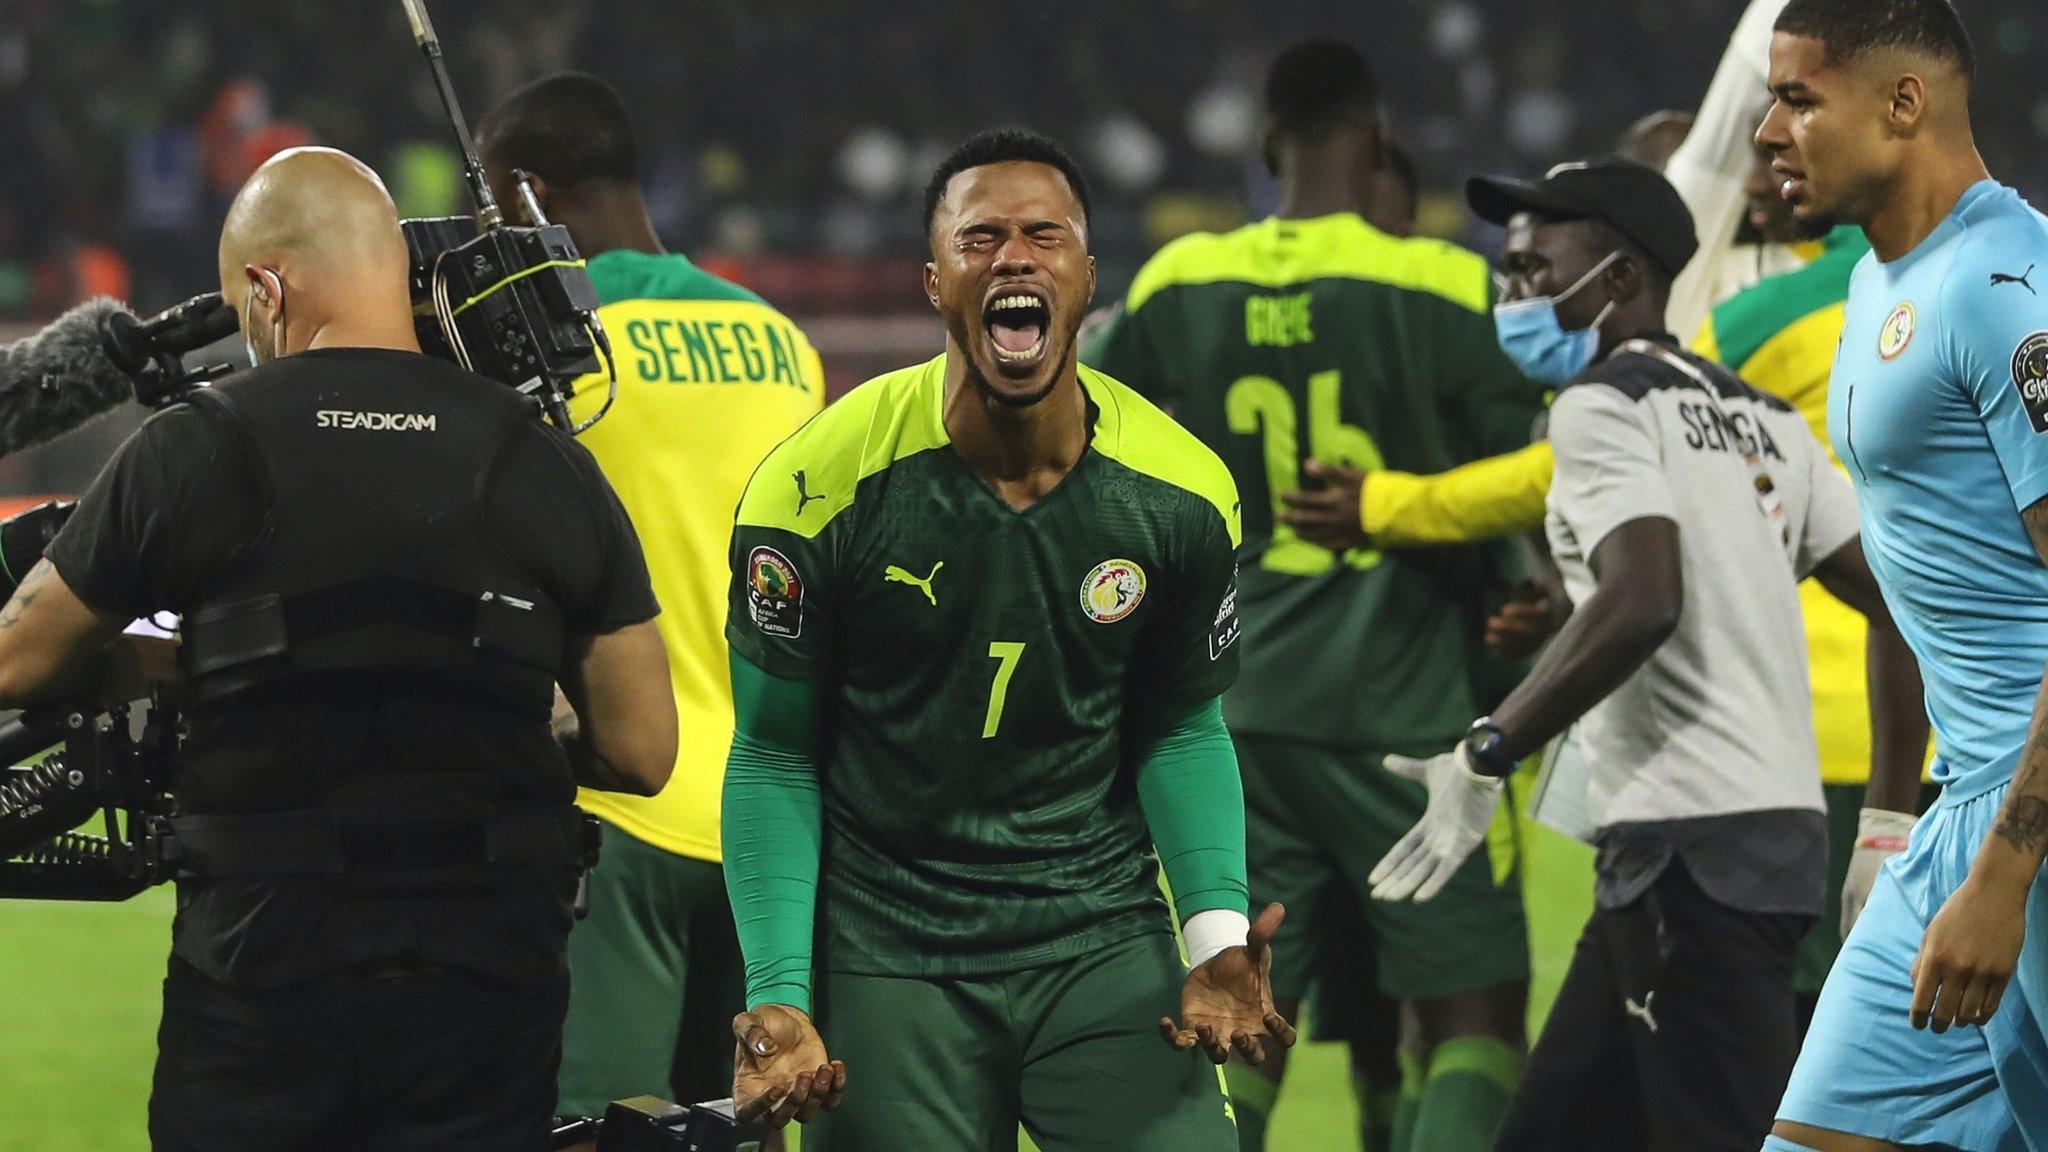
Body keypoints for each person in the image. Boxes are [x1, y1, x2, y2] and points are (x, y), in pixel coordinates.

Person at [0, 147, 676, 1152]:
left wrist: (173, 667)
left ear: (266, 291)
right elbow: (641, 749)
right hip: (488, 984)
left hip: (264, 974)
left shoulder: (192, 447)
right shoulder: (543, 458)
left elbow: (18, 662)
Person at [718, 128, 1293, 1150]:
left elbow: (1179, 727)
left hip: (1095, 938)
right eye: (979, 238)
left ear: (1083, 273)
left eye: (1044, 235)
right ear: (934, 280)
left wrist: (1210, 932)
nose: (1014, 258)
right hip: (892, 949)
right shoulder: (813, 493)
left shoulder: (1180, 496)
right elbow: (772, 750)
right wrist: (778, 993)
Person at [1371, 156, 1916, 1152]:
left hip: (1687, 854)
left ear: (1618, 280)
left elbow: (1640, 598)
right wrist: (1881, 816)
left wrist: (1486, 748)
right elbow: (1896, 602)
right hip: (1745, 843)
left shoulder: (1597, 408)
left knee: (1727, 1133)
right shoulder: (1761, 421)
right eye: (1508, 270)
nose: (1510, 294)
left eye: (1536, 273)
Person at [1086, 39, 1542, 1152]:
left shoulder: (1178, 283)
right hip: (1409, 710)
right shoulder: (1445, 284)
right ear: (1378, 138)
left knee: (1243, 1006)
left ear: (1264, 146)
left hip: (1234, 716)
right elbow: (1538, 477)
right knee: (1474, 1015)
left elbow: (1095, 468)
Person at [477, 71, 826, 1125]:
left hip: (614, 800)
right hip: (772, 821)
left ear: (529, 197)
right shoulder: (783, 345)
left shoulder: (542, 355)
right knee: (742, 1126)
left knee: (597, 1128)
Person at [1753, 1, 2048, 1149]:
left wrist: (2005, 877)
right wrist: (1907, 826)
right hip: (1959, 817)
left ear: (1901, 103)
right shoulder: (1879, 282)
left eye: (1797, 99)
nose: (1768, 132)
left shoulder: (2004, 288)